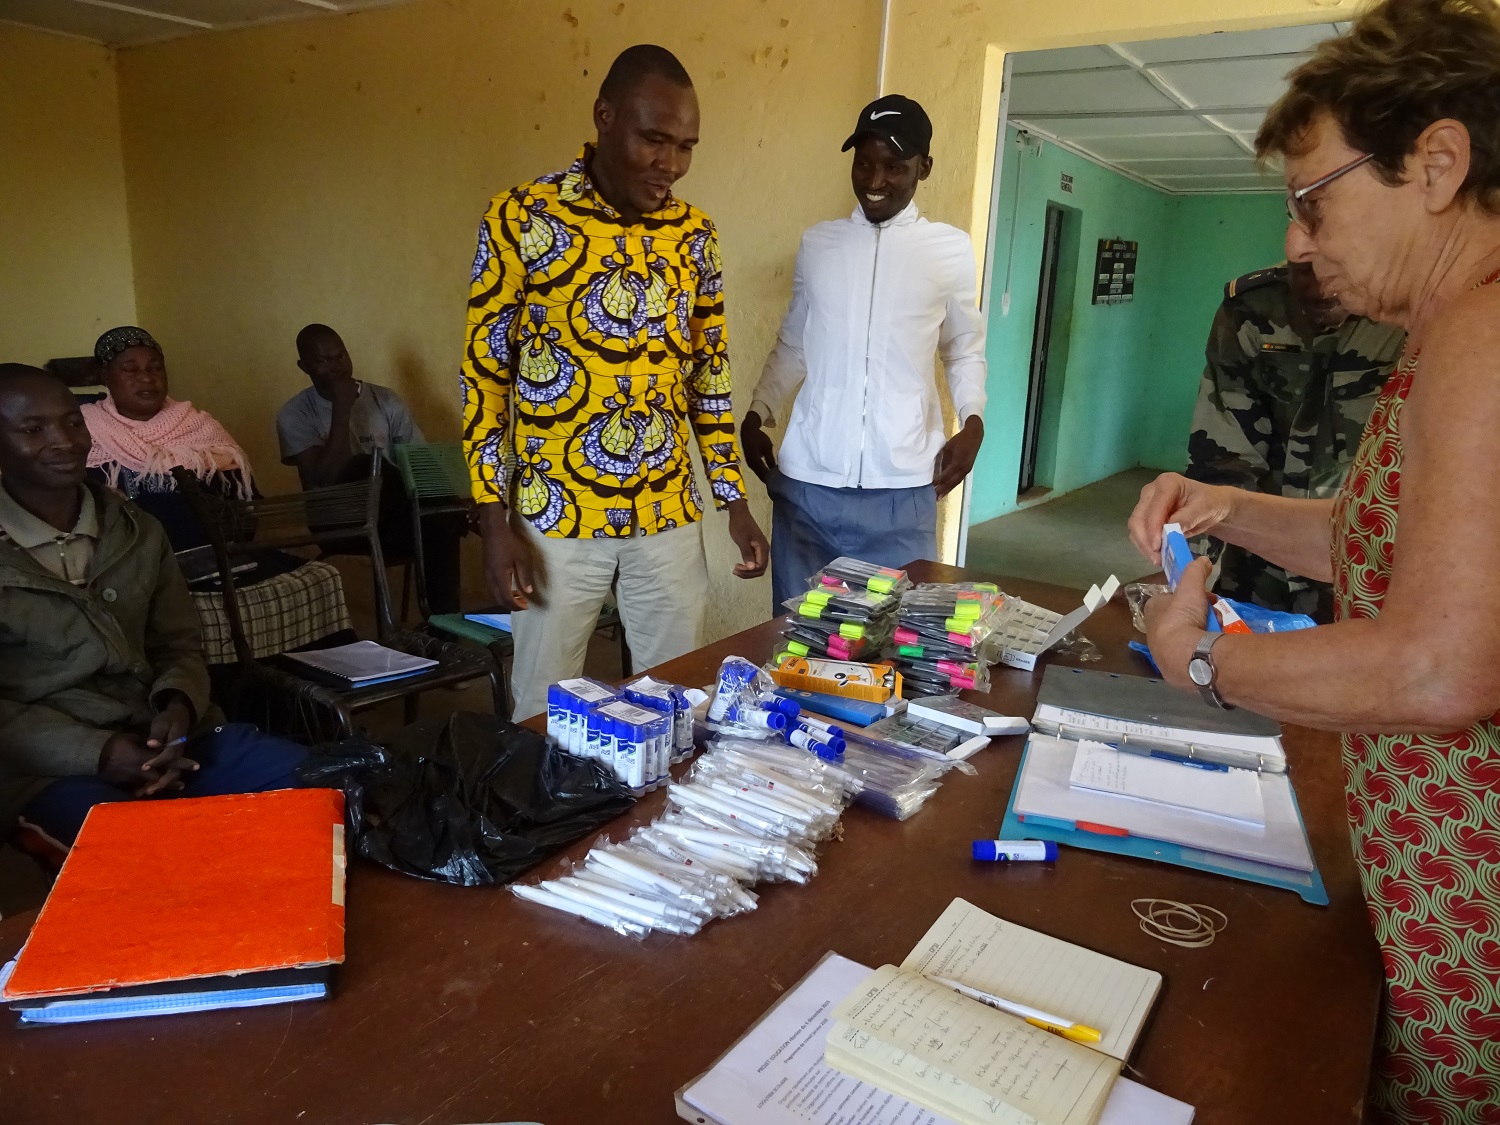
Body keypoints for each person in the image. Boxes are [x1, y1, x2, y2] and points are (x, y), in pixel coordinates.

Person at [1127, 2, 1500, 1117]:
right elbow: (1389, 541)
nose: (1296, 240)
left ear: (1435, 162)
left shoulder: (1484, 336)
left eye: (1312, 200)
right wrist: (1232, 504)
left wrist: (1203, 662)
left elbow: (1440, 668)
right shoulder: (1453, 332)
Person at [461, 44, 769, 721]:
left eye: (686, 146)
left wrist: (732, 499)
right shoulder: (521, 218)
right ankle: (550, 825)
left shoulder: (695, 237)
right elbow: (485, 378)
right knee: (545, 708)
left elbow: (708, 374)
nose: (671, 164)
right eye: (654, 140)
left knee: (678, 701)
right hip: (555, 518)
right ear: (604, 118)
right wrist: (492, 520)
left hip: (664, 510)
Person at [0, 364, 306, 850]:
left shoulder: (136, 529)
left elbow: (178, 641)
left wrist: (177, 704)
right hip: (48, 769)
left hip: (170, 741)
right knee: (151, 861)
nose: (64, 441)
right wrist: (97, 752)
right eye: (33, 430)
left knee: (323, 792)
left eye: (73, 421)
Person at [742, 95, 987, 609]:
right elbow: (795, 342)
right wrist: (759, 411)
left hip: (901, 492)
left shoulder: (949, 250)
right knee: (797, 641)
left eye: (894, 167)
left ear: (925, 167)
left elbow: (963, 348)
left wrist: (973, 424)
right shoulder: (819, 245)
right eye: (864, 163)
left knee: (898, 643)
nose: (875, 180)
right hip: (807, 487)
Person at [1185, 263, 1405, 621]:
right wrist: (1185, 568)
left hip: (1365, 578)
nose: (1318, 286)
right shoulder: (1254, 307)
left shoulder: (1418, 316)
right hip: (1259, 564)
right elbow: (1222, 458)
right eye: (1303, 269)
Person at [277, 323, 463, 613]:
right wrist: (342, 409)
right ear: (304, 366)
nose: (337, 367)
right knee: (368, 466)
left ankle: (441, 634)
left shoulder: (385, 400)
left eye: (340, 356)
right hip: (340, 521)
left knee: (438, 523)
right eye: (324, 361)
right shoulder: (295, 414)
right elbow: (324, 479)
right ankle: (456, 514)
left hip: (394, 520)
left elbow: (420, 465)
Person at [83, 325, 255, 550]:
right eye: (131, 370)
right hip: (129, 566)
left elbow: (244, 505)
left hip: (212, 559)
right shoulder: (86, 430)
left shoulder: (199, 426)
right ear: (105, 376)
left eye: (155, 368)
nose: (146, 378)